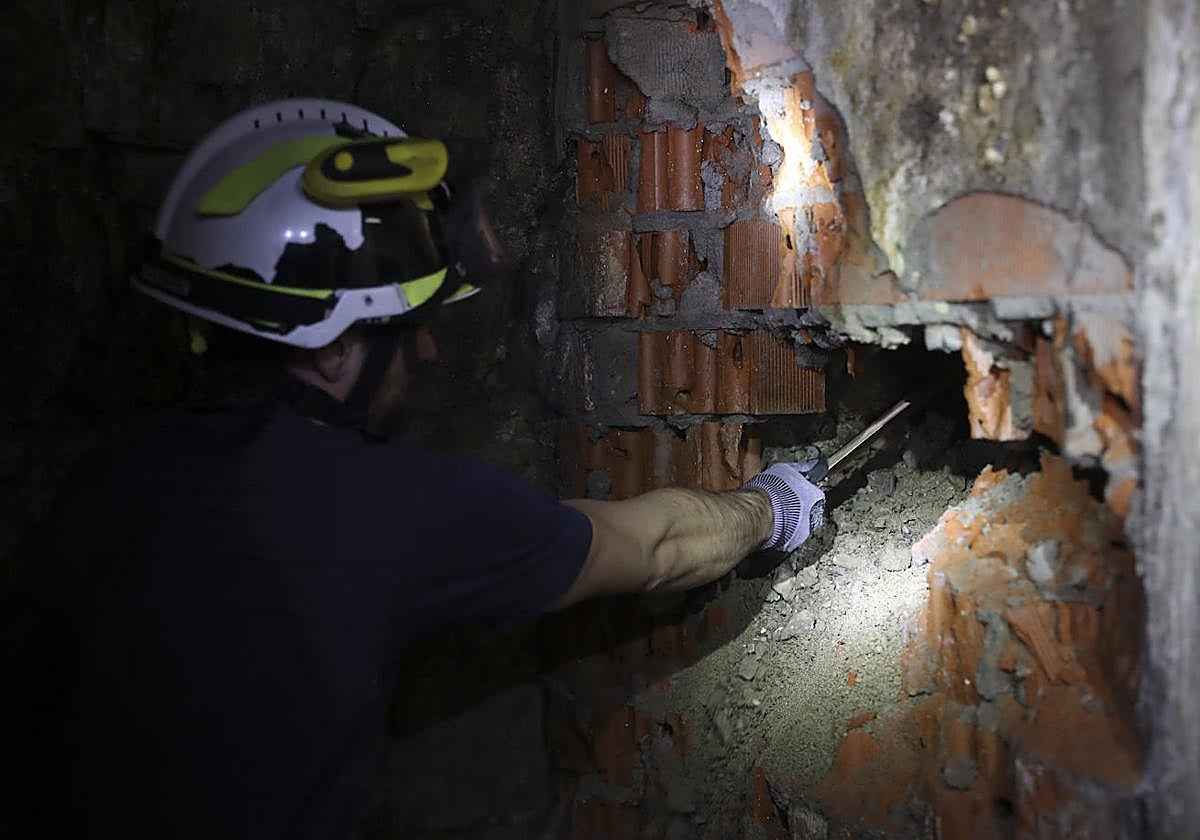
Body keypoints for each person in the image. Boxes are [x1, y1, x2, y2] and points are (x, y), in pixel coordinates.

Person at [20, 99, 825, 839]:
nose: (431, 350)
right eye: (411, 324)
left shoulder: (109, 482)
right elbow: (655, 548)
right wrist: (770, 507)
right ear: (333, 347)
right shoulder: (382, 512)